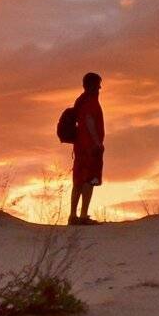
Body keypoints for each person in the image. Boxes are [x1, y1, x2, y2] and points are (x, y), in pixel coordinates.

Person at [69, 72, 105, 225]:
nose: (100, 88)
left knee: (78, 180)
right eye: (98, 84)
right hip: (90, 147)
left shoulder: (80, 100)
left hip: (79, 146)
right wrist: (97, 143)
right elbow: (90, 121)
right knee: (89, 179)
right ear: (91, 85)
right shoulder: (90, 101)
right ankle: (83, 216)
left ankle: (73, 215)